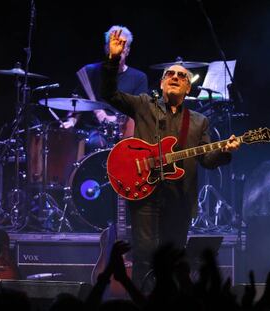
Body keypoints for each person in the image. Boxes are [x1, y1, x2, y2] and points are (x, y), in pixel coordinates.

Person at [101, 29, 241, 289]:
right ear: (162, 84)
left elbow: (208, 160)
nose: (175, 77)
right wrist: (113, 60)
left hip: (180, 197)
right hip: (144, 192)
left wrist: (225, 151)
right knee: (144, 255)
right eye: (169, 74)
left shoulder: (199, 121)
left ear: (188, 87)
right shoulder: (144, 105)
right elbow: (109, 95)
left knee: (174, 255)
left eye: (181, 75)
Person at [63, 25, 148, 151]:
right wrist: (71, 120)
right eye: (113, 44)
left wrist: (114, 119)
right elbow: (76, 103)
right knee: (94, 143)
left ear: (128, 50)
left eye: (121, 44)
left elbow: (139, 112)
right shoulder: (90, 72)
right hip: (94, 131)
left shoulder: (139, 78)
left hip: (124, 132)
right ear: (106, 48)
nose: (118, 49)